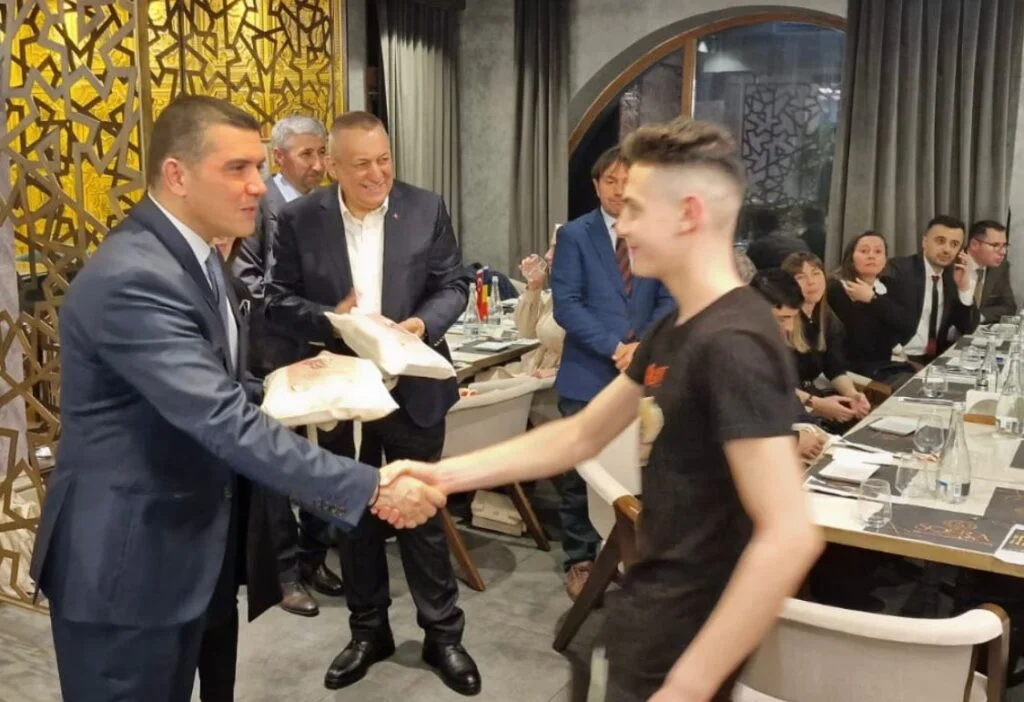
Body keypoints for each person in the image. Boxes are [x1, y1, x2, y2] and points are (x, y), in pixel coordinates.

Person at [386, 118, 824, 701]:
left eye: (637, 208)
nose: (624, 223)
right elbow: (580, 436)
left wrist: (688, 685)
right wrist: (441, 475)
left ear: (689, 213)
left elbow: (788, 535)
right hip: (646, 608)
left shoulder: (735, 342)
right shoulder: (681, 326)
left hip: (684, 637)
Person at [28, 95, 445, 702]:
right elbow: (219, 419)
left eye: (258, 167)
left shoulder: (197, 256)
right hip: (128, 565)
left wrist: (287, 382)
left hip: (192, 550)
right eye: (238, 169)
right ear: (177, 175)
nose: (258, 186)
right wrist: (371, 487)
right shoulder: (135, 276)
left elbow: (215, 384)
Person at [266, 111, 480, 695]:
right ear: (332, 165)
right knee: (351, 516)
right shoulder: (299, 219)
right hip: (342, 393)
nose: (376, 173)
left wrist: (420, 324)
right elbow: (277, 299)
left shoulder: (425, 207)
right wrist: (331, 319)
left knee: (423, 515)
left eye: (384, 159)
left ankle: (444, 635)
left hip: (413, 386)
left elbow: (453, 285)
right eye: (360, 163)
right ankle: (368, 632)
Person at [550, 145, 674, 600]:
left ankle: (636, 555)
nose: (620, 190)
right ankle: (581, 559)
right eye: (610, 181)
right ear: (596, 185)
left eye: (629, 181)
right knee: (579, 474)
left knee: (645, 469)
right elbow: (567, 305)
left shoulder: (656, 231)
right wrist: (616, 347)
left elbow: (669, 298)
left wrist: (641, 348)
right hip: (587, 371)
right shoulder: (575, 235)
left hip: (646, 375)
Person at [232, 115, 342, 618]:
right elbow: (248, 281)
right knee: (277, 466)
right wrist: (318, 314)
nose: (318, 165)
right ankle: (283, 574)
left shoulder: (327, 208)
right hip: (272, 357)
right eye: (306, 154)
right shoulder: (260, 206)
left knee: (323, 457)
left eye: (322, 153)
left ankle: (314, 555)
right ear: (279, 157)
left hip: (323, 354)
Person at [780, 252, 871, 430]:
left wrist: (852, 394)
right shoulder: (783, 322)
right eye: (801, 277)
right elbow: (776, 386)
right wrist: (818, 405)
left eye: (816, 273)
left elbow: (834, 368)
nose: (811, 282)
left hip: (811, 398)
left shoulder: (826, 316)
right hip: (785, 407)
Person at [748, 269, 828, 463]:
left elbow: (786, 395)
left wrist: (811, 428)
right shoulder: (734, 351)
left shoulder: (770, 343)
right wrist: (795, 439)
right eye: (781, 319)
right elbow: (742, 423)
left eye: (792, 318)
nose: (789, 327)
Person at [825, 231, 917, 388]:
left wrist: (873, 299)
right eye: (864, 251)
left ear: (885, 260)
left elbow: (907, 326)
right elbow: (858, 340)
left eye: (878, 251)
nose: (871, 256)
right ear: (851, 258)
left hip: (883, 364)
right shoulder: (837, 289)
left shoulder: (888, 286)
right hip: (849, 369)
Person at [887, 215, 979, 363]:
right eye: (940, 241)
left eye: (954, 244)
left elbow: (967, 329)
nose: (947, 249)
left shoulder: (953, 277)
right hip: (899, 357)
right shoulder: (898, 270)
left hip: (935, 359)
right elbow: (876, 317)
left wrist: (964, 290)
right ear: (924, 242)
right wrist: (898, 352)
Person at [965, 219, 1016, 322]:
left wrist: (978, 317)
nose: (1003, 252)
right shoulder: (953, 263)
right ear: (974, 244)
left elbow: (1009, 307)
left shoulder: (1001, 267)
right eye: (995, 245)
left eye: (1005, 245)